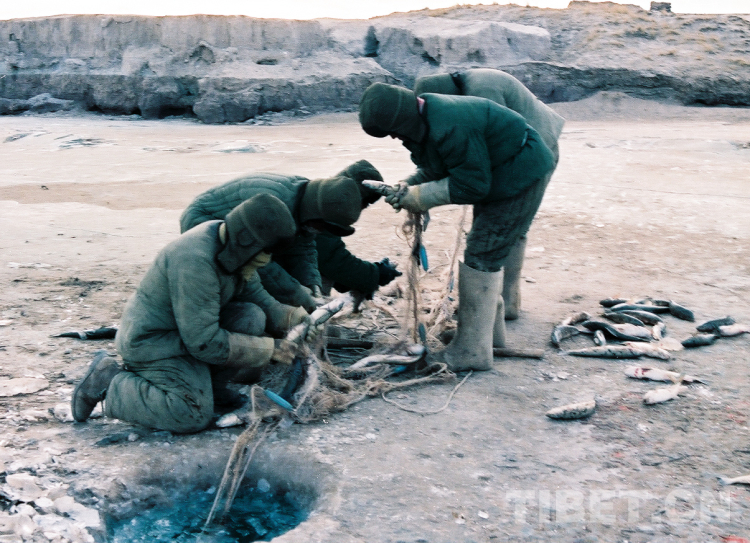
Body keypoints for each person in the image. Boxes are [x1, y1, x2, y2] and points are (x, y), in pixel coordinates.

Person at [70, 194, 331, 433]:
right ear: (247, 241)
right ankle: (109, 381)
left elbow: (261, 301)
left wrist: (297, 319)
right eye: (265, 252)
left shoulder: (232, 246)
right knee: (190, 414)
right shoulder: (195, 261)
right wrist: (271, 349)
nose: (266, 260)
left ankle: (213, 390)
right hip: (154, 344)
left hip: (186, 336)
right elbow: (204, 343)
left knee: (251, 316)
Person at [359, 82, 556, 372]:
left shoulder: (450, 124)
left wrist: (419, 197)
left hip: (521, 173)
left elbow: (472, 185)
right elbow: (437, 167)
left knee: (483, 251)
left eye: (394, 131)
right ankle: (487, 336)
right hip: (501, 172)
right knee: (484, 248)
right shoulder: (427, 117)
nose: (395, 138)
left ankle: (472, 351)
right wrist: (406, 186)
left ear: (403, 120)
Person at [413, 68, 564, 321]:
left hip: (534, 152)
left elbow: (489, 150)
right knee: (508, 227)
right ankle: (505, 302)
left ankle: (491, 313)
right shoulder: (469, 86)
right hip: (527, 150)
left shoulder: (481, 90)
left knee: (496, 230)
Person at [179, 160, 401, 310]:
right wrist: (299, 295)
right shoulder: (279, 206)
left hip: (246, 230)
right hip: (205, 222)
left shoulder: (310, 201)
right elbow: (260, 262)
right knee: (244, 278)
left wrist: (312, 287)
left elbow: (305, 248)